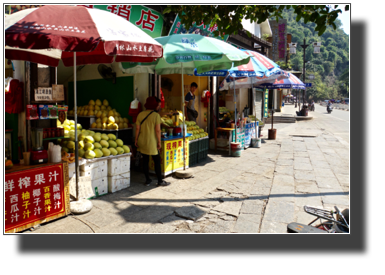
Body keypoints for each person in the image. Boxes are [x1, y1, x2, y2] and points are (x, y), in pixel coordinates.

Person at [135, 96, 170, 187]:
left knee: (145, 161)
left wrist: (136, 140)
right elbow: (158, 130)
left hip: (142, 141)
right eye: (157, 105)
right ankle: (160, 181)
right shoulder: (156, 116)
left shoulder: (140, 114)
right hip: (152, 142)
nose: (158, 107)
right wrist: (159, 142)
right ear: (154, 105)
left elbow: (137, 129)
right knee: (157, 161)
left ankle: (148, 180)